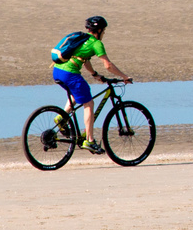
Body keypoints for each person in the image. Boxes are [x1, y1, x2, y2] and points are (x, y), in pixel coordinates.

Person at [51, 15, 133, 154]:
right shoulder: (96, 43)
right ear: (99, 30)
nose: (104, 33)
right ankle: (89, 140)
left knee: (78, 93)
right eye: (104, 31)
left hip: (57, 71)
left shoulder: (83, 39)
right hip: (70, 73)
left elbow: (83, 59)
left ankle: (61, 118)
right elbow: (108, 65)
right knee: (89, 103)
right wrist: (124, 76)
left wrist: (94, 74)